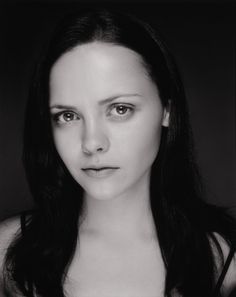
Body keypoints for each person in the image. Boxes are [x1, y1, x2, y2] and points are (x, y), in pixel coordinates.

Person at [0, 7, 235, 297]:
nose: (92, 142)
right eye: (68, 116)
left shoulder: (225, 260)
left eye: (120, 109)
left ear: (167, 110)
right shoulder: (6, 254)